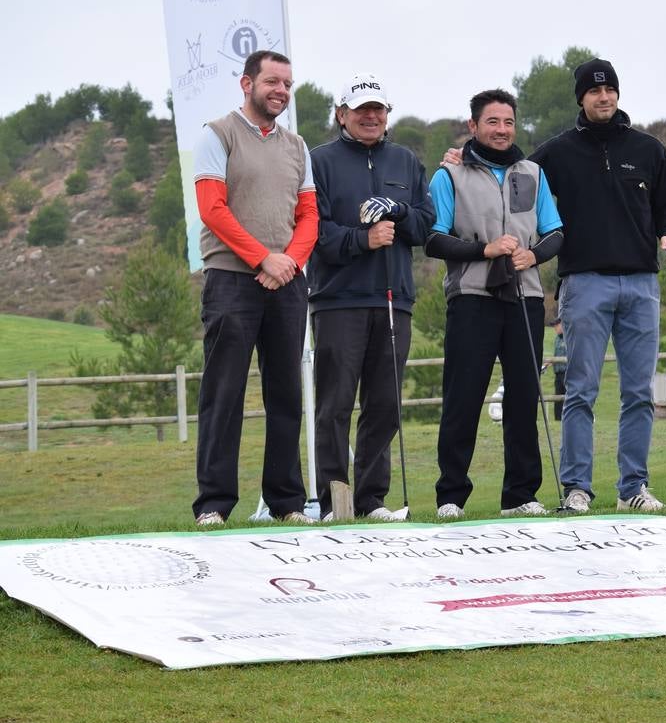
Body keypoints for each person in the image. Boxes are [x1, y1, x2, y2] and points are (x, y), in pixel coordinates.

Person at [533, 58, 666, 513]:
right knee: (581, 390)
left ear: (617, 95)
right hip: (584, 282)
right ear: (581, 97)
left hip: (641, 282)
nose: (605, 98)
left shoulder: (648, 149)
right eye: (595, 91)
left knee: (639, 392)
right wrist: (468, 158)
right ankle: (577, 488)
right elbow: (516, 180)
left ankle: (632, 488)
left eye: (611, 91)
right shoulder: (557, 152)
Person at [191, 50, 318, 526]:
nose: (281, 91)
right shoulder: (217, 134)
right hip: (231, 279)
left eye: (287, 83)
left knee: (286, 392)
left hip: (287, 281)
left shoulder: (297, 146)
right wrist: (262, 257)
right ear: (247, 84)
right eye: (272, 82)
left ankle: (286, 502)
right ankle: (215, 505)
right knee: (224, 392)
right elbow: (212, 209)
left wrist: (287, 263)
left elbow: (308, 215)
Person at [426, 89, 564, 519]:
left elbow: (555, 232)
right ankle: (451, 496)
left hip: (525, 297)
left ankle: (521, 496)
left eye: (508, 122)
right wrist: (484, 250)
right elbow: (434, 238)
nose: (501, 130)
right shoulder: (448, 176)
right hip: (472, 297)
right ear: (473, 126)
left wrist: (533, 255)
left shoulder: (534, 174)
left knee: (524, 396)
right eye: (492, 122)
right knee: (463, 397)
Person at [308, 73, 434, 521]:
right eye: (361, 110)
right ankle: (333, 502)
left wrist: (397, 211)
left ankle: (371, 500)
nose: (371, 116)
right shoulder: (319, 161)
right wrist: (364, 239)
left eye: (378, 109)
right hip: (338, 299)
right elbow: (315, 232)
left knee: (384, 404)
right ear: (342, 114)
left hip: (393, 299)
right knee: (335, 405)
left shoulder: (405, 161)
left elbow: (426, 224)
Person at [550, 317, 566, 421]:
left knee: (567, 396)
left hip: (567, 372)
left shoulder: (569, 338)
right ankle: (558, 419)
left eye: (557, 325)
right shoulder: (557, 339)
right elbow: (556, 355)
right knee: (558, 396)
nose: (555, 328)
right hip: (558, 373)